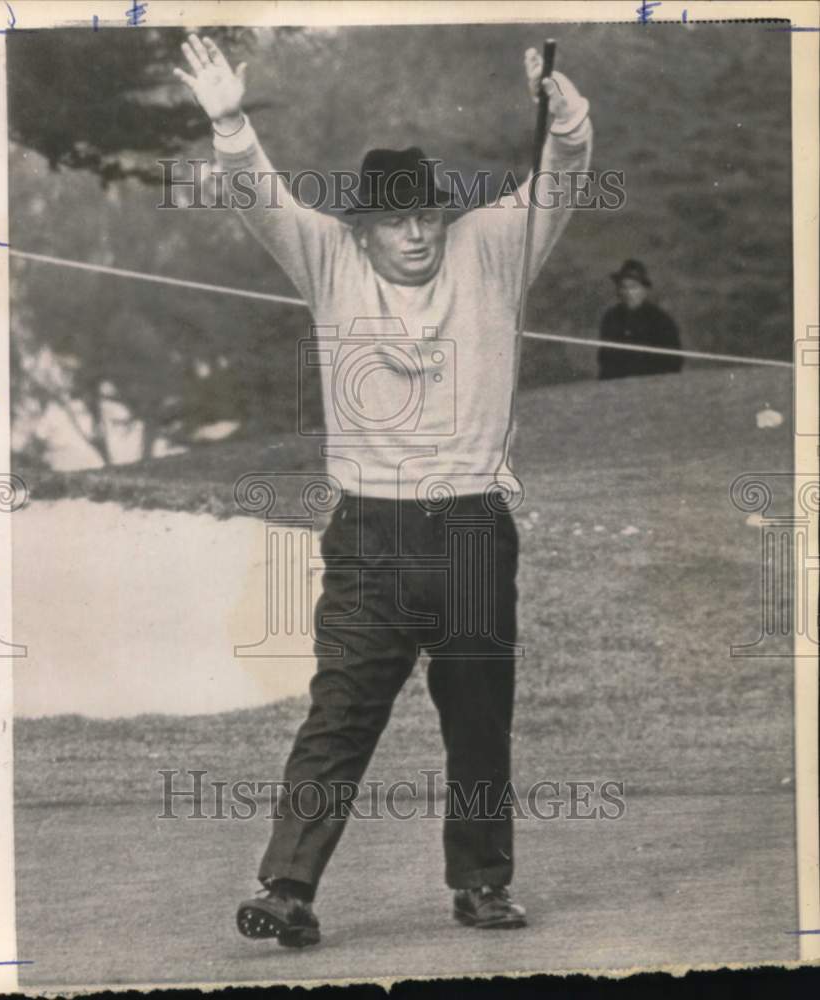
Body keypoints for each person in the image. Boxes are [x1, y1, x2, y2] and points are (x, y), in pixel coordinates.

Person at [174, 32, 592, 947]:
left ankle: (481, 884)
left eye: (427, 218)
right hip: (368, 536)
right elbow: (262, 200)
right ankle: (287, 888)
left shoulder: (495, 249)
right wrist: (232, 123)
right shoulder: (327, 260)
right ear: (361, 226)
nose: (415, 234)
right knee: (340, 713)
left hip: (473, 529)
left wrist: (561, 111)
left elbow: (559, 172)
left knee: (479, 717)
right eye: (395, 221)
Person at [597, 259, 683, 379]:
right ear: (618, 291)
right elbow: (604, 358)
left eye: (633, 287)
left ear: (644, 290)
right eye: (623, 288)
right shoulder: (611, 317)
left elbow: (673, 361)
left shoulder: (660, 319)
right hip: (616, 384)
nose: (628, 293)